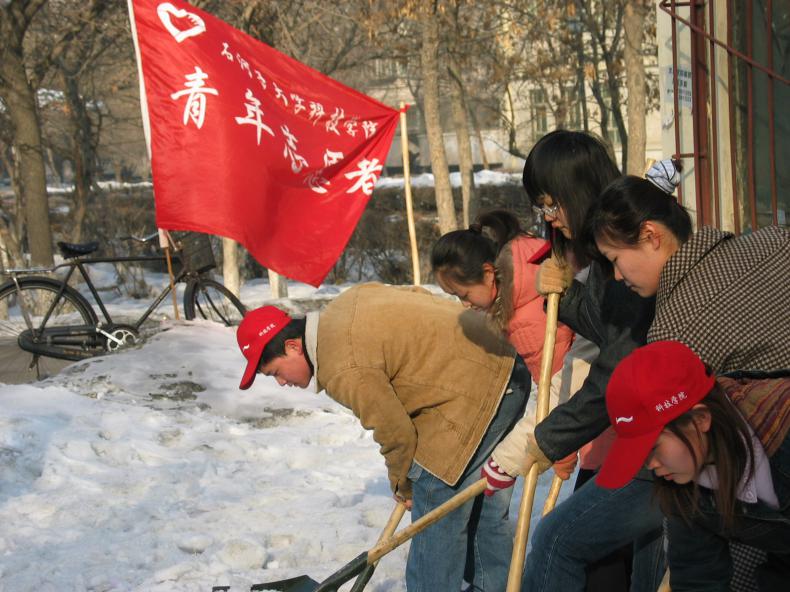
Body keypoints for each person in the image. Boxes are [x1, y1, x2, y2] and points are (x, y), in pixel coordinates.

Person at [236, 283, 531, 592]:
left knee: (433, 504)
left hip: (480, 387)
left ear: (294, 347)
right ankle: (495, 585)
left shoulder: (342, 366)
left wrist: (402, 484)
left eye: (275, 373)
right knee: (476, 498)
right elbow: (417, 294)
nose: (282, 382)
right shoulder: (344, 304)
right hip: (501, 359)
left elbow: (395, 433)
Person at [515, 130, 663, 592]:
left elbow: (620, 356)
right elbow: (611, 327)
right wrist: (570, 294)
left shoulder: (627, 250)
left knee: (564, 543)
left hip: (659, 439)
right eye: (540, 207)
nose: (548, 218)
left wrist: (553, 436)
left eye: (552, 203)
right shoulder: (602, 254)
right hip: (622, 431)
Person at [597, 340, 790, 591]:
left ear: (700, 419)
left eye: (652, 447)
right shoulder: (682, 486)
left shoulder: (782, 425)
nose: (650, 464)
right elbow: (698, 578)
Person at [430, 209, 595, 490]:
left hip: (595, 415)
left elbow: (563, 388)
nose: (465, 304)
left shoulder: (528, 317)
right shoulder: (524, 275)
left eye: (464, 295)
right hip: (593, 409)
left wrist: (560, 447)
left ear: (486, 273)